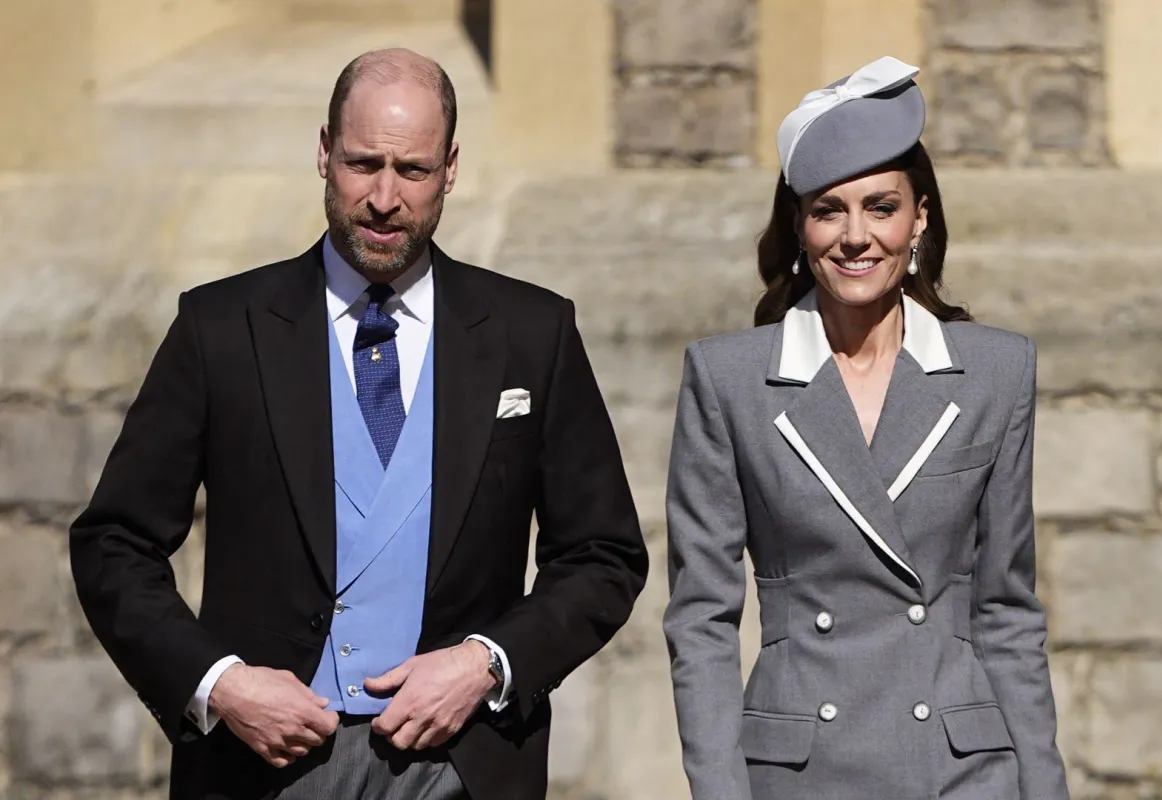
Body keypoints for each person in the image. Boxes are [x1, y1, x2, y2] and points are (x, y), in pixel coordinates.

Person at [69, 48, 647, 800]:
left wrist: (486, 663)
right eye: (362, 162)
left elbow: (604, 555)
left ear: (450, 169)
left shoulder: (532, 333)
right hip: (262, 769)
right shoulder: (222, 329)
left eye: (411, 170)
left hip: (462, 765)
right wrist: (223, 685)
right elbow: (114, 544)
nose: (383, 196)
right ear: (322, 153)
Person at [661, 56, 1069, 800]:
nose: (855, 236)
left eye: (881, 207)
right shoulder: (729, 379)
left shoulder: (997, 370)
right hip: (801, 770)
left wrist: (1045, 789)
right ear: (798, 226)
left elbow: (1008, 612)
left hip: (964, 770)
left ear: (919, 220)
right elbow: (702, 624)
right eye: (828, 209)